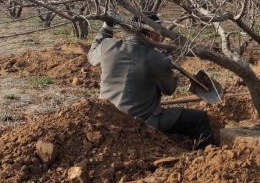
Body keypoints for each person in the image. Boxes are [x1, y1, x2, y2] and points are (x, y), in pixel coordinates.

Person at [87, 15, 217, 149]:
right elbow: (169, 89)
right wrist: (166, 62)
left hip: (107, 118)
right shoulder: (156, 58)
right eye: (159, 34)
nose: (162, 38)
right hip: (142, 123)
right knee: (200, 119)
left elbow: (91, 56)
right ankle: (205, 156)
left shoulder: (108, 45)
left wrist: (106, 28)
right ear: (150, 34)